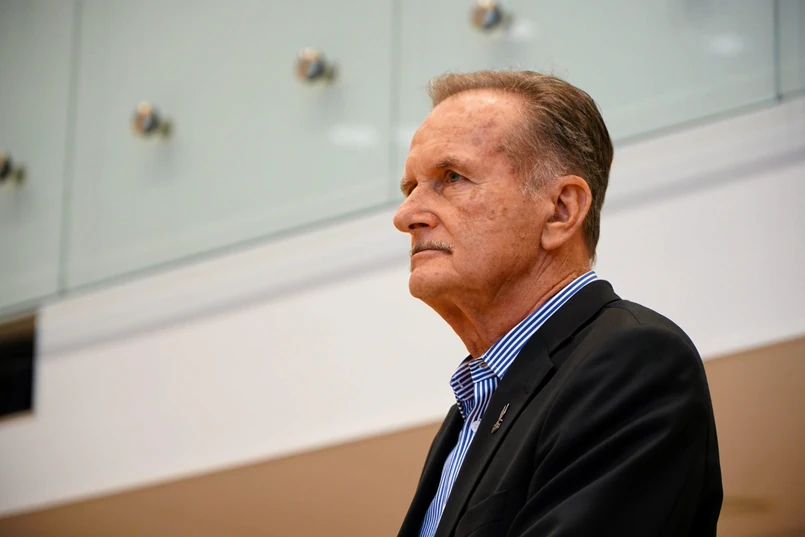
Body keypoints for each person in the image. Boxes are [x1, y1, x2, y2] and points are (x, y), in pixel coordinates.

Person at [393, 71, 722, 537]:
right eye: (410, 187)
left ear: (561, 210)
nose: (406, 215)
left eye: (451, 177)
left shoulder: (632, 362)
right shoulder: (470, 414)